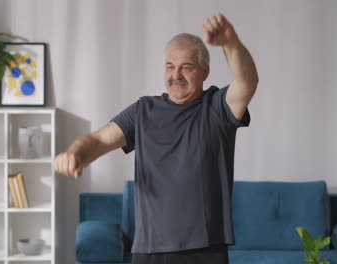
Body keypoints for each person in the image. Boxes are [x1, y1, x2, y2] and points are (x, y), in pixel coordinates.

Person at [55, 13, 258, 264]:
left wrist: (231, 42)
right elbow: (98, 140)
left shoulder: (216, 108)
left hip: (205, 249)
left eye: (187, 66)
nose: (176, 74)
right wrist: (76, 154)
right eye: (170, 66)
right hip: (149, 249)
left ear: (205, 71)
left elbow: (247, 82)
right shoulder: (142, 111)